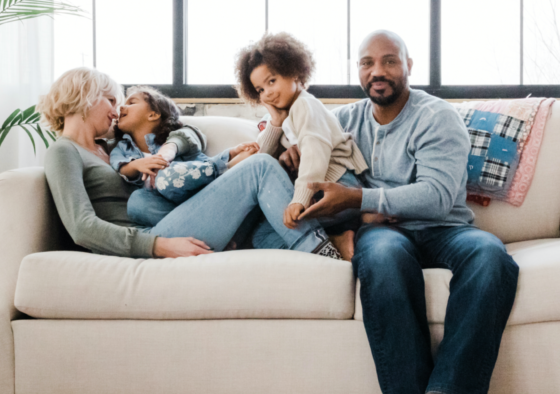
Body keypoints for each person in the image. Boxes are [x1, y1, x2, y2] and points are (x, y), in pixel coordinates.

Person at [283, 30, 520, 394]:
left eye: (389, 61)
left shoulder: (437, 117)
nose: (377, 71)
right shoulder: (345, 120)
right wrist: (290, 155)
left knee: (491, 256)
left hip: (444, 227)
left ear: (409, 66)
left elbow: (436, 195)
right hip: (386, 234)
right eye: (366, 63)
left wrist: (360, 200)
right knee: (383, 258)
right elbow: (308, 151)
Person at [37, 67, 344, 260]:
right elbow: (82, 228)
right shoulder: (64, 151)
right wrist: (158, 245)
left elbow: (186, 131)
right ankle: (324, 252)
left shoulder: (115, 147)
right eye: (112, 101)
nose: (117, 112)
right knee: (260, 167)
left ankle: (340, 230)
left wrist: (172, 149)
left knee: (262, 207)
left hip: (167, 219)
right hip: (153, 236)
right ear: (85, 97)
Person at [234, 33, 368, 256]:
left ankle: (349, 230)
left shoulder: (305, 106)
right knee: (261, 236)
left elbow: (315, 157)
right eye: (260, 90)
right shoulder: (286, 113)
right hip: (320, 186)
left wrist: (300, 200)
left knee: (263, 236)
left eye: (272, 81)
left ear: (295, 73)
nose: (268, 93)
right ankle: (338, 236)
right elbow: (261, 158)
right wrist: (275, 122)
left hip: (337, 185)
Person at [110, 85, 259, 217]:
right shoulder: (122, 148)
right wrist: (136, 165)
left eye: (132, 102)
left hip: (200, 191)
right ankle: (203, 229)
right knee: (137, 203)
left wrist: (167, 152)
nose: (122, 107)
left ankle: (224, 167)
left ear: (153, 114)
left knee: (165, 175)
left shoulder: (178, 134)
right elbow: (121, 167)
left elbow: (190, 137)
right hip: (174, 208)